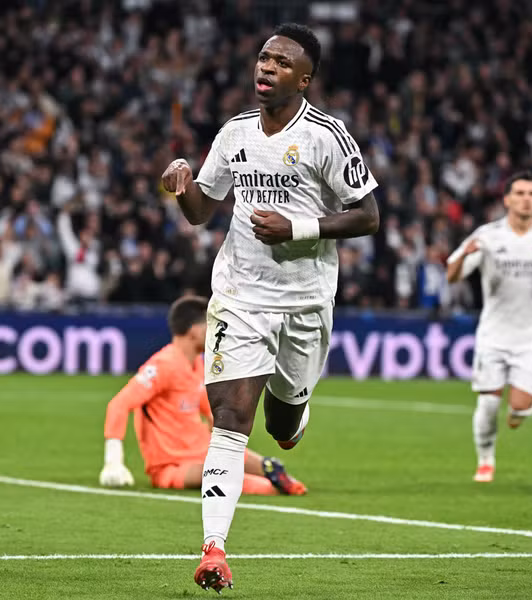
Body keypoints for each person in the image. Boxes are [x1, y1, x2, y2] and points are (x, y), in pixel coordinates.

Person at [160, 23, 380, 592]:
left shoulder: (327, 136)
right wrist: (183, 184)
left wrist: (296, 228)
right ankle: (214, 549)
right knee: (231, 418)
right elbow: (202, 210)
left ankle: (295, 414)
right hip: (239, 295)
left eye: (281, 63)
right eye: (263, 57)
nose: (266, 67)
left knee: (282, 426)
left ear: (304, 80)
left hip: (305, 301)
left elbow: (368, 215)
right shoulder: (234, 132)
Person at [99, 295, 306, 498]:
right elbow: (119, 404)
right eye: (212, 324)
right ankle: (263, 481)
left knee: (271, 469)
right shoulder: (162, 365)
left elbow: (214, 415)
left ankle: (272, 471)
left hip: (203, 452)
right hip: (173, 466)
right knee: (254, 485)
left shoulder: (199, 365)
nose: (217, 330)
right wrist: (113, 460)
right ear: (194, 330)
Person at [446, 171, 532, 484]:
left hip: (531, 337)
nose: (526, 199)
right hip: (493, 333)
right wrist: (465, 255)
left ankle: (521, 408)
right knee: (489, 401)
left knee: (518, 410)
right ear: (507, 200)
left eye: (531, 194)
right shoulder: (488, 236)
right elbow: (452, 275)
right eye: (519, 193)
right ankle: (485, 461)